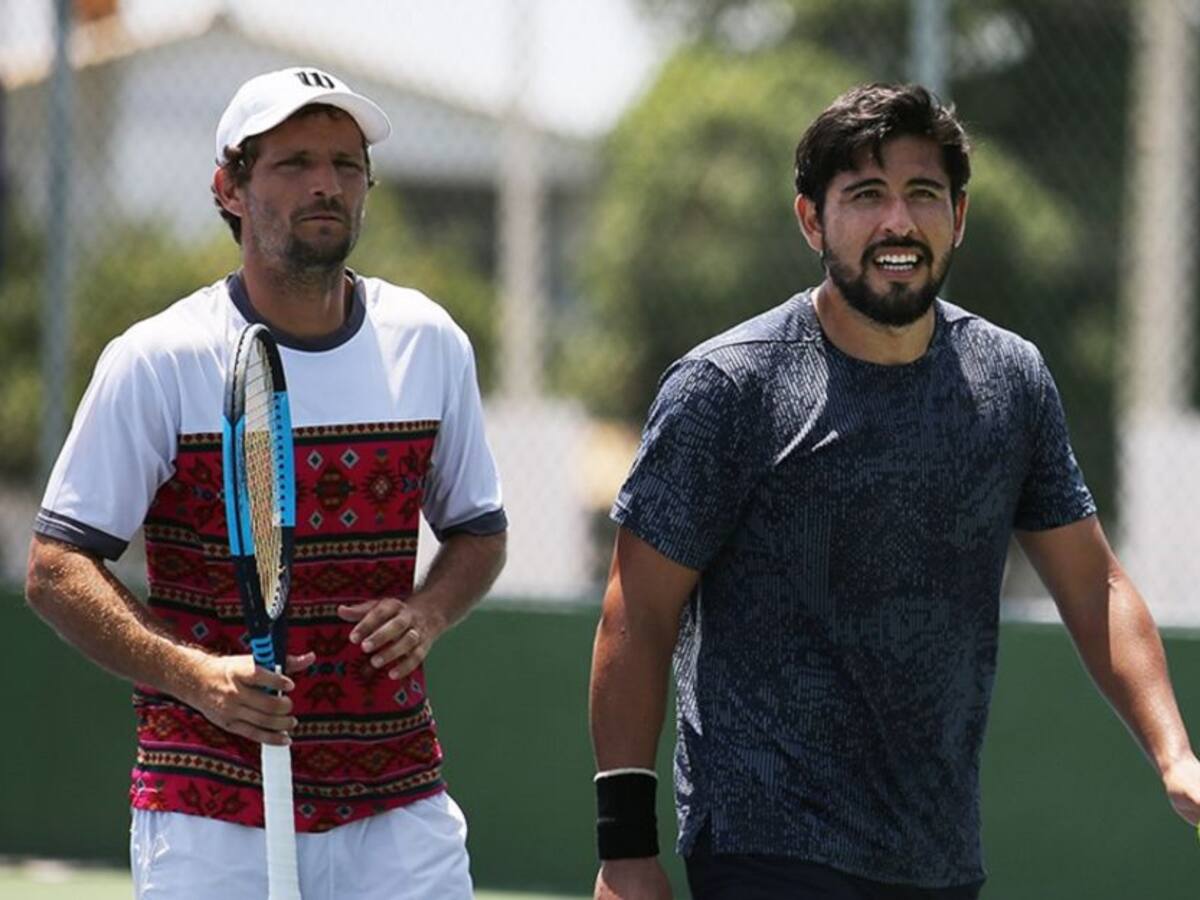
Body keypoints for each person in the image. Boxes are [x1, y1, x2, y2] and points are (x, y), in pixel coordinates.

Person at [588, 82, 1200, 900]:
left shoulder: (1010, 380)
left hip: (936, 856)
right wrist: (625, 852)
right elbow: (639, 610)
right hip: (765, 844)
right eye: (866, 196)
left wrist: (1175, 754)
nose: (898, 223)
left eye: (922, 194)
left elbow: (1097, 588)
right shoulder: (729, 387)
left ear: (960, 216)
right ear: (812, 219)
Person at [25, 67, 506, 900]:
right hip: (207, 808)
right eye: (293, 163)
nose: (326, 184)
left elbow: (479, 530)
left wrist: (428, 611)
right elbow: (55, 566)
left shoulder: (429, 343)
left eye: (347, 165)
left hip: (398, 802)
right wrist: (190, 675)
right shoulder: (159, 358)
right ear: (231, 188)